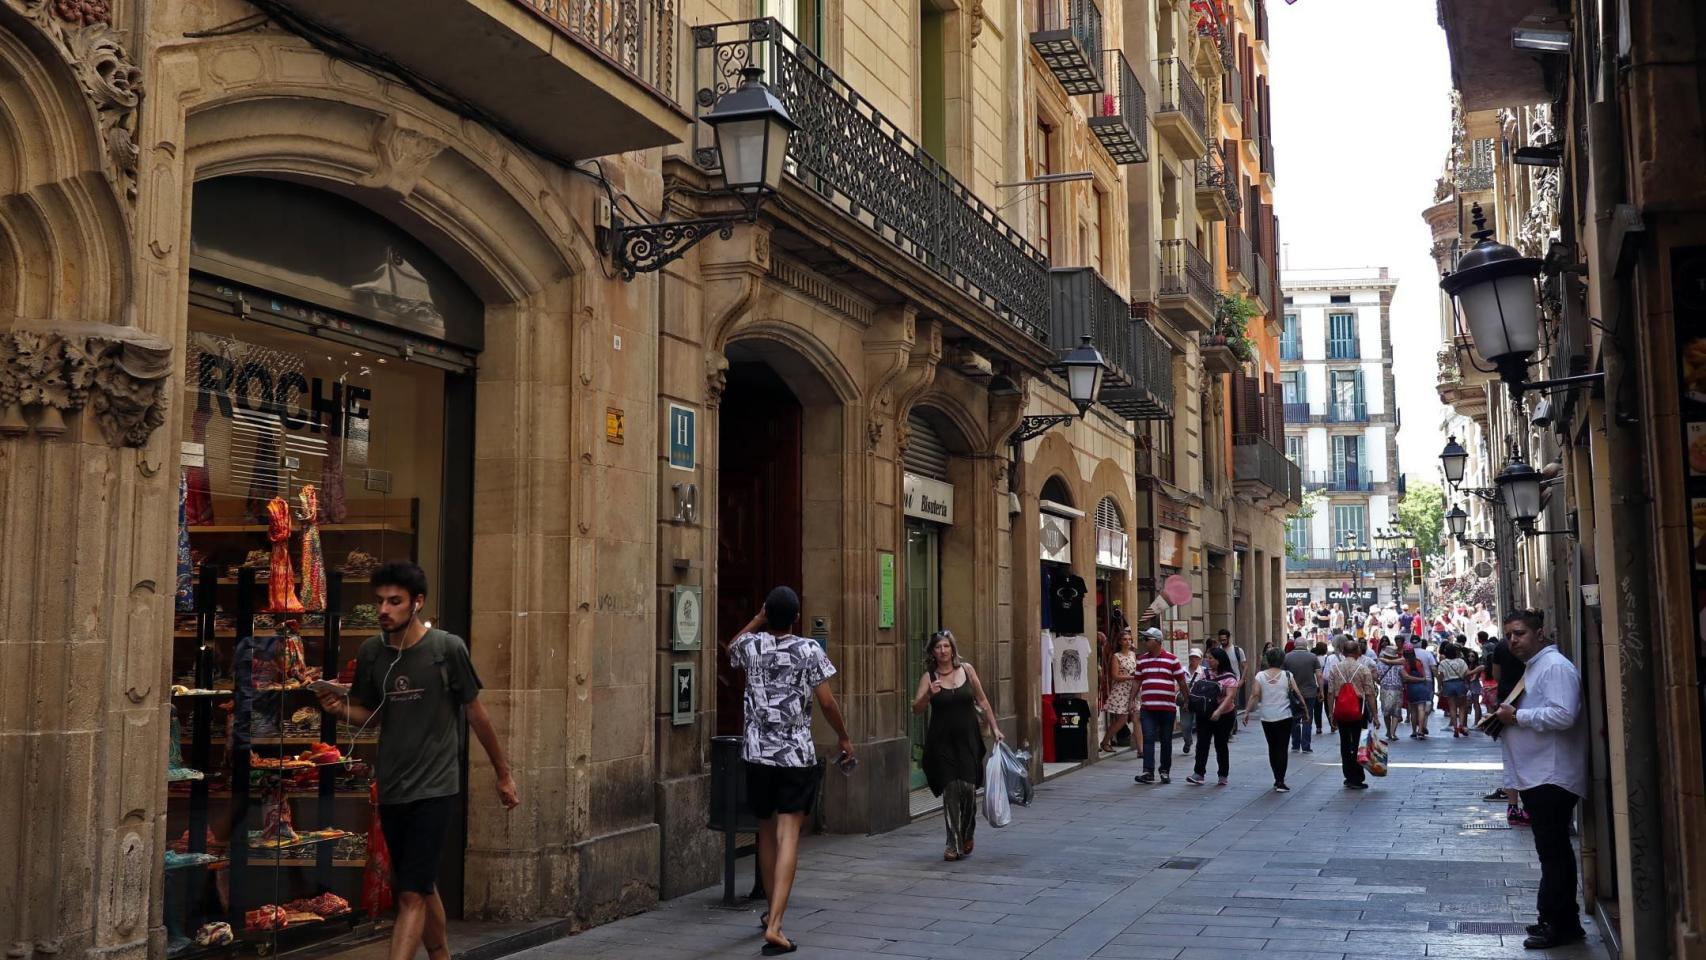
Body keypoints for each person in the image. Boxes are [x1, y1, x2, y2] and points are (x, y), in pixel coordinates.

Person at [316, 561, 519, 960]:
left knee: (409, 893)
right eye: (379, 602)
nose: (384, 610)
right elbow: (371, 716)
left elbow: (476, 713)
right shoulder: (373, 652)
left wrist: (503, 774)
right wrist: (338, 709)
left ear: (417, 603)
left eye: (395, 602)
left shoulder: (446, 649)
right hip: (393, 787)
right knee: (421, 884)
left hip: (436, 788)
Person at [725, 586, 854, 955]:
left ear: (769, 613)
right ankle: (777, 924)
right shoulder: (809, 650)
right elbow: (827, 702)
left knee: (765, 832)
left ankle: (769, 913)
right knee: (789, 835)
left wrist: (756, 619)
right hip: (794, 756)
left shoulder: (753, 647)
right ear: (796, 617)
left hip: (757, 756)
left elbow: (732, 646)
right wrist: (844, 737)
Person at [1493, 610, 1588, 950]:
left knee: (1554, 852)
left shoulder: (1555, 667)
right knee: (1552, 851)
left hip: (1551, 774)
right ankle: (1560, 917)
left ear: (1540, 633)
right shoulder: (1537, 666)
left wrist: (1517, 716)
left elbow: (1564, 714)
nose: (1513, 640)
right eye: (1509, 636)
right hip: (1537, 773)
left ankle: (1559, 923)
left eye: (1519, 633)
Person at [913, 629, 1002, 861]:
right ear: (932, 652)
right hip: (941, 742)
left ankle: (967, 831)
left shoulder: (967, 670)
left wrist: (995, 728)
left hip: (968, 740)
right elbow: (916, 709)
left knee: (968, 789)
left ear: (952, 649)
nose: (943, 651)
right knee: (951, 789)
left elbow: (982, 700)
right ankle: (952, 843)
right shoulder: (929, 677)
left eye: (946, 646)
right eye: (938, 647)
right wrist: (927, 696)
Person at [1133, 627, 1189, 784]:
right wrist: (1131, 699)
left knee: (1166, 740)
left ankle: (1164, 770)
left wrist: (1187, 700)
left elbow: (1181, 681)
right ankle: (1148, 772)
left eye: (1147, 639)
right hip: (1148, 708)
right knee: (1149, 738)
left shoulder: (1172, 659)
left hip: (1167, 708)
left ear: (1157, 641)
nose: (1144, 642)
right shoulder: (1142, 660)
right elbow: (1137, 680)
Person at [1244, 648, 1304, 792]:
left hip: (1267, 717)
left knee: (1272, 747)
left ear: (1268, 660)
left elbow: (1254, 694)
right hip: (1285, 716)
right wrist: (1306, 711)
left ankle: (1276, 777)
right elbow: (1297, 693)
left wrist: (1246, 711)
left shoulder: (1260, 676)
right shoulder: (1287, 675)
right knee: (1282, 748)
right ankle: (1280, 780)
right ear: (1282, 660)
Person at [1487, 632, 1531, 824]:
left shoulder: (1501, 647)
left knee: (1511, 758)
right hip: (1526, 703)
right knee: (1528, 757)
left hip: (1506, 700)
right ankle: (1528, 806)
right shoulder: (1534, 649)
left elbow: (1496, 674)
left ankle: (1513, 806)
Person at [1324, 636, 1378, 790]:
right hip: (1358, 709)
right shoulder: (1363, 669)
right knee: (1358, 742)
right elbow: (1370, 694)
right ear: (1356, 652)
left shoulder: (1335, 668)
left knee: (1345, 742)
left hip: (1341, 709)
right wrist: (1374, 715)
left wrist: (1330, 713)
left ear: (1343, 652)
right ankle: (1357, 776)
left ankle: (1348, 775)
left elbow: (1330, 693)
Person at [1185, 648, 1239, 786]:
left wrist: (1218, 712)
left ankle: (1223, 774)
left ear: (1219, 660)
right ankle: (1199, 773)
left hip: (1224, 715)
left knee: (1220, 744)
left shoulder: (1229, 677)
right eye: (1207, 658)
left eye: (1211, 658)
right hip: (1205, 713)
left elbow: (1229, 697)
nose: (1208, 661)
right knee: (1202, 743)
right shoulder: (1205, 673)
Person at [1099, 628, 1139, 754]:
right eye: (1124, 639)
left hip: (1133, 689)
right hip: (1121, 691)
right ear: (1120, 642)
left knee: (1136, 718)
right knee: (1122, 719)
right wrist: (1132, 676)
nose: (1127, 642)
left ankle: (1140, 749)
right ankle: (1105, 741)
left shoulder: (1133, 655)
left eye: (1129, 639)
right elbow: (1115, 676)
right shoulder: (1116, 656)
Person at [1282, 637, 1320, 754]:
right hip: (1309, 692)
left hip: (1293, 693)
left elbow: (1282, 674)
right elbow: (1319, 675)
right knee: (1307, 718)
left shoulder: (1287, 657)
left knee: (1294, 718)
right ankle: (1306, 746)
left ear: (1295, 645)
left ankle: (1295, 744)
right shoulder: (1313, 657)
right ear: (1305, 646)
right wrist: (1321, 691)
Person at [1437, 641, 1471, 737]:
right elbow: (1466, 673)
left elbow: (1441, 676)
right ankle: (1461, 725)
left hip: (1448, 684)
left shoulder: (1443, 663)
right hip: (1459, 683)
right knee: (1462, 706)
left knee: (1452, 707)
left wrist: (1440, 687)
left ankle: (1455, 727)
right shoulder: (1461, 661)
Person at [1374, 640, 1406, 743]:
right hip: (1397, 689)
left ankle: (1388, 731)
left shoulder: (1379, 665)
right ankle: (1393, 732)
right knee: (1396, 712)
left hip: (1385, 689)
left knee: (1386, 712)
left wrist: (1379, 681)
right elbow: (1404, 676)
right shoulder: (1400, 665)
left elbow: (1374, 675)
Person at [1400, 643, 1432, 738]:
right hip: (1421, 687)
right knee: (1421, 709)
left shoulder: (1404, 663)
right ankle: (1421, 730)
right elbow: (1423, 674)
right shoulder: (1418, 662)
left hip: (1410, 688)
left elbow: (1405, 679)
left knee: (1413, 710)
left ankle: (1414, 731)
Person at [1179, 648, 1205, 755]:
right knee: (1185, 725)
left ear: (1200, 659)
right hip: (1186, 701)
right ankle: (1188, 741)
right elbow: (1178, 684)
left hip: (1199, 702)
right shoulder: (1182, 670)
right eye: (1192, 657)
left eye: (1196, 658)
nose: (1194, 659)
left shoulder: (1204, 671)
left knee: (1201, 725)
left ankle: (1201, 746)